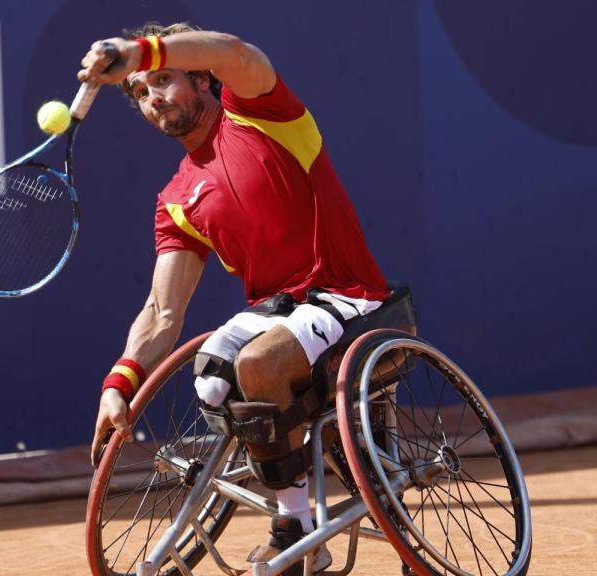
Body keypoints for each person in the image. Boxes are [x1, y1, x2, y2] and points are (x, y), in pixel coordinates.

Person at [79, 22, 390, 573]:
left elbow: (235, 52)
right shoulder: (176, 200)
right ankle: (303, 505)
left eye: (164, 81)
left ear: (203, 78)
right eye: (141, 93)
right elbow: (162, 310)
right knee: (212, 372)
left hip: (348, 294)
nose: (154, 99)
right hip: (279, 313)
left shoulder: (263, 113)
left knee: (257, 362)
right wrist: (119, 382)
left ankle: (301, 519)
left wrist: (138, 53)